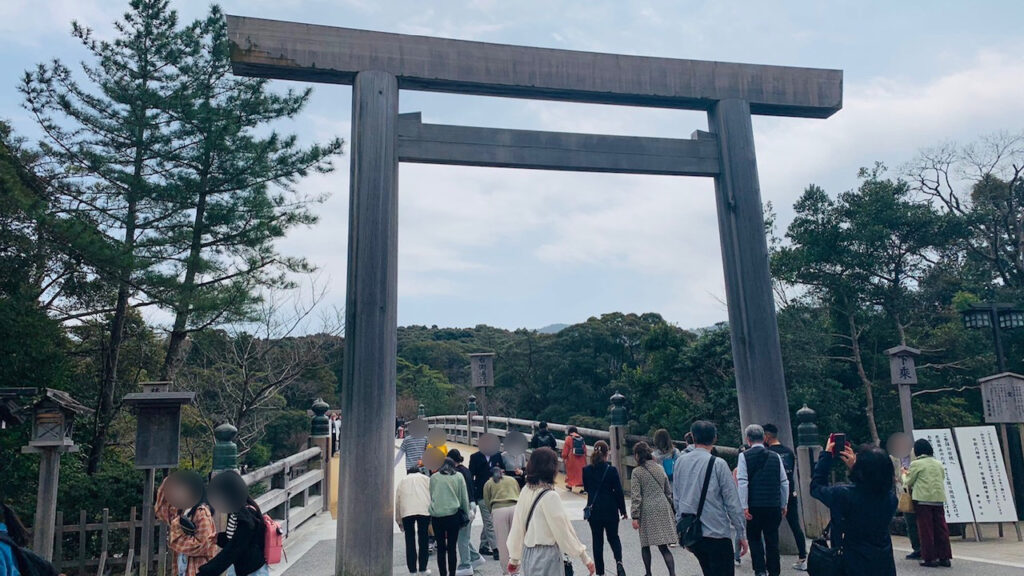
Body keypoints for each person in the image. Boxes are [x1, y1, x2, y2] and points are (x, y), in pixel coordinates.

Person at [811, 440, 898, 576]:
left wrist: (826, 455)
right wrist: (857, 469)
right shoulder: (891, 499)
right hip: (882, 561)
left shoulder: (843, 495)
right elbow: (871, 487)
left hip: (851, 560)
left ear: (861, 470)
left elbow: (816, 487)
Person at [674, 421, 748, 576]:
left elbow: (677, 497)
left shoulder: (680, 461)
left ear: (693, 437)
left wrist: (681, 527)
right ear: (714, 438)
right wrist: (741, 533)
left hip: (693, 532)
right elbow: (732, 502)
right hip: (716, 532)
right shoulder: (718, 464)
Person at [507, 447, 595, 576]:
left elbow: (518, 525)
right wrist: (585, 557)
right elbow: (564, 530)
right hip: (546, 556)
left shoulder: (526, 490)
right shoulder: (550, 496)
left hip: (528, 554)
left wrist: (514, 558)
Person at [736, 424, 788, 576]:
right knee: (772, 539)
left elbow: (743, 481)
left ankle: (760, 570)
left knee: (755, 538)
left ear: (748, 439)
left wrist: (744, 506)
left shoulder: (743, 456)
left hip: (754, 505)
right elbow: (784, 482)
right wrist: (783, 503)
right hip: (773, 504)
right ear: (764, 438)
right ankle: (774, 570)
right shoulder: (775, 456)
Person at [199, 471, 267, 576]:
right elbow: (233, 539)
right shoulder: (235, 511)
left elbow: (234, 549)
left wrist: (206, 571)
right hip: (239, 567)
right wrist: (219, 538)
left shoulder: (247, 517)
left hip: (253, 571)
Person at [155, 471, 219, 576]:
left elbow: (203, 544)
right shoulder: (181, 510)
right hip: (181, 569)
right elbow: (161, 509)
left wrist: (177, 537)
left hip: (197, 568)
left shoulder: (201, 513)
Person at [762, 423, 807, 571]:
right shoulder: (788, 452)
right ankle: (803, 556)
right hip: (790, 492)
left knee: (770, 529)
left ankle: (769, 560)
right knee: (795, 526)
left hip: (772, 496)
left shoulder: (767, 453)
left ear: (767, 436)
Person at [630, 441, 678, 576]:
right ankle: (672, 573)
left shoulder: (637, 472)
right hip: (663, 507)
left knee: (645, 544)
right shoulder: (659, 468)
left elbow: (636, 495)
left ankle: (648, 572)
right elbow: (667, 490)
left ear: (638, 455)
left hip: (647, 509)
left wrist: (635, 515)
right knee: (663, 546)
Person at [582, 441, 627, 576]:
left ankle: (600, 573)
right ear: (607, 454)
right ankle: (619, 562)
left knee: (597, 541)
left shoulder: (586, 470)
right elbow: (619, 491)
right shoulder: (611, 470)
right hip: (611, 509)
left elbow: (587, 489)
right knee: (613, 537)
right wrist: (623, 510)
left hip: (594, 511)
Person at [905, 439, 952, 568]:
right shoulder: (938, 463)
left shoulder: (916, 464)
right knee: (941, 528)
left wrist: (904, 476)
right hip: (938, 498)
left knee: (926, 530)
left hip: (923, 500)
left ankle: (930, 558)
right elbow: (941, 477)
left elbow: (908, 481)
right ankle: (945, 557)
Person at [429, 458, 472, 576]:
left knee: (441, 549)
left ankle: (443, 574)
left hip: (437, 516)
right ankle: (452, 573)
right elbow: (464, 497)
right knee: (452, 548)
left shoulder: (434, 477)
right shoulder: (458, 477)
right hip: (453, 515)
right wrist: (466, 514)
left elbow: (432, 495)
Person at [448, 450, 485, 576]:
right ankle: (475, 557)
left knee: (462, 538)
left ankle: (465, 564)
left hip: (465, 507)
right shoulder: (466, 470)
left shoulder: (457, 473)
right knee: (463, 536)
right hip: (472, 504)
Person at [469, 436, 505, 560]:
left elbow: (502, 471)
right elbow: (471, 475)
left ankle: (483, 546)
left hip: (495, 492)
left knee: (489, 519)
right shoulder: (475, 457)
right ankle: (496, 549)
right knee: (489, 521)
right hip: (482, 492)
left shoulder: (497, 456)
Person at [483, 467, 521, 574]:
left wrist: (493, 512)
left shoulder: (489, 483)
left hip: (499, 510)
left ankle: (507, 571)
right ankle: (516, 571)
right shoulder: (512, 480)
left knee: (502, 543)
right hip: (515, 508)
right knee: (515, 541)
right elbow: (518, 493)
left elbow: (487, 500)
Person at [396, 467, 433, 575]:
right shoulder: (426, 479)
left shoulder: (402, 481)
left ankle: (412, 570)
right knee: (423, 540)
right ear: (419, 472)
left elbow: (397, 500)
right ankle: (423, 568)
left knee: (410, 540)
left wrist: (399, 520)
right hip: (424, 510)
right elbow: (432, 495)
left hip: (407, 511)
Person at [562, 426, 587, 493]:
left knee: (571, 473)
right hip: (581, 459)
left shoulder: (569, 438)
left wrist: (564, 457)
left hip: (572, 459)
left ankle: (570, 485)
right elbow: (585, 450)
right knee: (581, 473)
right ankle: (583, 487)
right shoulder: (581, 438)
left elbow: (565, 452)